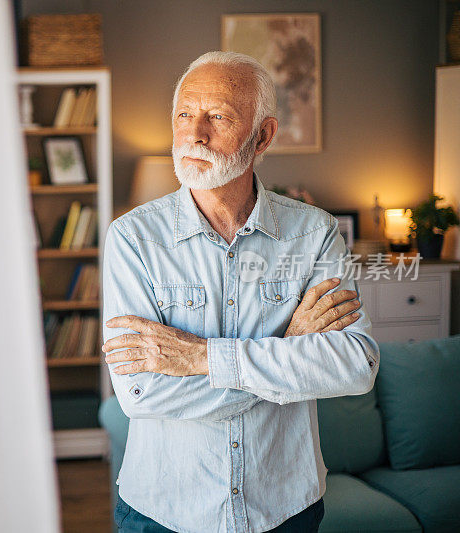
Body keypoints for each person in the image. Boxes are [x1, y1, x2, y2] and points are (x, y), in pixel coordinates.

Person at [101, 51, 379, 533]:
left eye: (218, 117)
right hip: (164, 513)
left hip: (286, 509)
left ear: (263, 136)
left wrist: (202, 358)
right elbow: (141, 393)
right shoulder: (132, 239)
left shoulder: (314, 234)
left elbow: (355, 366)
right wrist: (287, 353)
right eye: (184, 114)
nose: (194, 133)